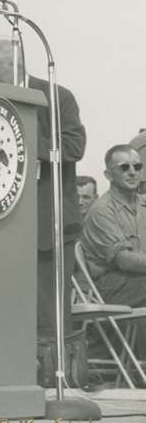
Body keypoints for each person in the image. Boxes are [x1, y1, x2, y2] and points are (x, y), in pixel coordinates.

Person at [0, 40, 86, 347]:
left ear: (16, 68)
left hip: (49, 222)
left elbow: (73, 148)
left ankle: (51, 375)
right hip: (5, 223)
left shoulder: (57, 97)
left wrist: (22, 131)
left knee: (49, 313)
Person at [81, 144, 146, 357]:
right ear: (108, 174)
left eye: (137, 166)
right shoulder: (101, 210)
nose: (132, 172)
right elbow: (124, 261)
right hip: (111, 287)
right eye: (124, 167)